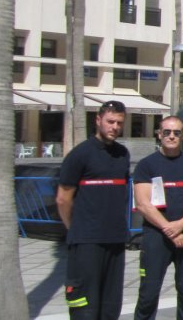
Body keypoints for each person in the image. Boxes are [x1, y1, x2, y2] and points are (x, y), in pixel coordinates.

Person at [57, 100, 131, 320]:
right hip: (87, 241)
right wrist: (75, 229)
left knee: (110, 308)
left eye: (119, 123)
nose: (114, 127)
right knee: (85, 308)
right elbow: (63, 199)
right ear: (98, 120)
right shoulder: (80, 154)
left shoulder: (122, 154)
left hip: (116, 240)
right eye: (110, 121)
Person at [133, 116, 183, 320]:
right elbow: (143, 204)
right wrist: (170, 228)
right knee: (149, 292)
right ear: (159, 134)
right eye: (167, 132)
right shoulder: (146, 165)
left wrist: (181, 225)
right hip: (156, 235)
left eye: (176, 132)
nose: (171, 136)